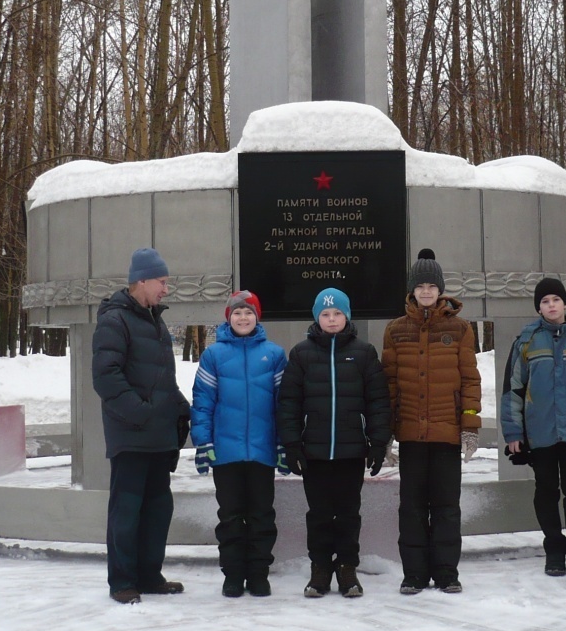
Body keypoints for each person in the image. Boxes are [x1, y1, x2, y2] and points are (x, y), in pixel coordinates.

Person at [92, 247, 192, 604]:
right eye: (162, 282)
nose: (166, 289)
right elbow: (106, 378)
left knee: (156, 511)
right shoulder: (115, 320)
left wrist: (181, 408)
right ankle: (122, 581)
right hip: (132, 438)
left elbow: (162, 378)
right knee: (127, 513)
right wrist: (143, 412)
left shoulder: (155, 320)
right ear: (142, 280)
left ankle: (149, 576)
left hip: (158, 438)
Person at [278, 286, 391, 599]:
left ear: (346, 316)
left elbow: (378, 401)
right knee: (319, 514)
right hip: (313, 451)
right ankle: (320, 569)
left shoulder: (364, 353)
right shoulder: (301, 353)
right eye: (325, 314)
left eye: (337, 313)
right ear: (317, 317)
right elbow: (289, 402)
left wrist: (379, 443)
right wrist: (291, 445)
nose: (331, 319)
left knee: (348, 513)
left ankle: (347, 568)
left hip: (351, 450)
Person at [381, 248, 481, 594]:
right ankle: (414, 573)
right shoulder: (396, 331)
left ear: (440, 290)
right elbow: (389, 386)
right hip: (410, 435)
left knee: (446, 508)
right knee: (411, 509)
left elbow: (470, 380)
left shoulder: (460, 328)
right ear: (412, 290)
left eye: (431, 285)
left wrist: (470, 427)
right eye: (420, 285)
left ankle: (446, 572)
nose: (426, 291)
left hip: (446, 435)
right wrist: (385, 437)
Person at [500, 276, 566, 577]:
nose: (551, 306)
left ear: (565, 304)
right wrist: (513, 433)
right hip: (541, 432)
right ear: (539, 308)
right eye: (545, 301)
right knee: (546, 490)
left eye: (555, 300)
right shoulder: (527, 340)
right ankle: (554, 550)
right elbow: (513, 389)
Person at [190, 290, 289, 598]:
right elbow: (203, 403)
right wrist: (203, 442)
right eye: (237, 313)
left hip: (262, 452)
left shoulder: (273, 355)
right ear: (228, 317)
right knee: (231, 516)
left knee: (261, 514)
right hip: (226, 452)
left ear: (257, 317)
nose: (243, 317)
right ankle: (233, 574)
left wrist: (283, 444)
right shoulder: (214, 355)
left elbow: (282, 405)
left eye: (249, 312)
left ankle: (259, 573)